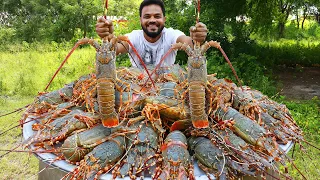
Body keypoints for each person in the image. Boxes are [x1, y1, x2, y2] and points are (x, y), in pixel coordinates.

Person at [96, 0, 208, 68]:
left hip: (167, 91)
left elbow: (188, 43)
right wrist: (109, 36)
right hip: (138, 90)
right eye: (147, 16)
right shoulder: (134, 37)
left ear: (164, 19)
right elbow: (116, 49)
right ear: (140, 20)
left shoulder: (171, 35)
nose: (152, 20)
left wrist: (196, 38)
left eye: (157, 16)